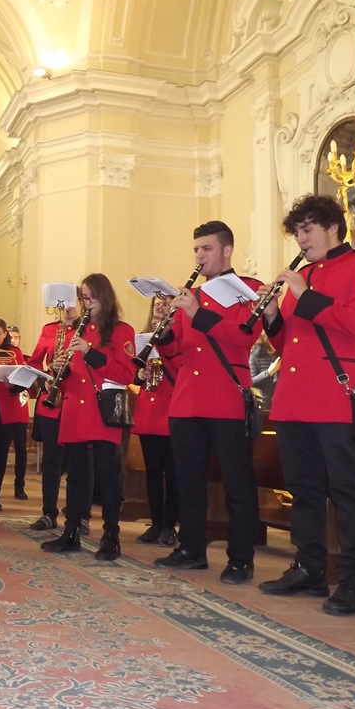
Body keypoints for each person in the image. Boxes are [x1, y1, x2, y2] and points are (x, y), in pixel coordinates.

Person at [257, 195, 355, 615]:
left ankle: (353, 581)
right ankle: (309, 568)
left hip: (337, 395)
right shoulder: (307, 275)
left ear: (332, 226)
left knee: (350, 491)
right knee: (304, 490)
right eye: (297, 231)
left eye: (307, 229)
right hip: (294, 399)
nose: (300, 238)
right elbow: (289, 343)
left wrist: (304, 293)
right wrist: (273, 315)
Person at [153, 221, 263, 584]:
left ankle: (241, 558)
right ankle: (191, 549)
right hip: (187, 400)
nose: (199, 256)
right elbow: (176, 353)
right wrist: (165, 330)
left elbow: (243, 336)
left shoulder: (250, 290)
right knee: (188, 481)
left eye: (207, 249)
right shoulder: (191, 295)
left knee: (238, 484)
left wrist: (196, 312)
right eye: (196, 250)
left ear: (227, 250)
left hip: (227, 399)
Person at [41, 274, 135, 558]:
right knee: (76, 475)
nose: (86, 301)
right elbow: (72, 381)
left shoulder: (121, 331)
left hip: (102, 411)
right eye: (83, 296)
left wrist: (91, 351)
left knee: (107, 474)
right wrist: (57, 374)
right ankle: (70, 532)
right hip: (74, 411)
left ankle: (111, 536)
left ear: (105, 297)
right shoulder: (73, 333)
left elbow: (125, 374)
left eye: (91, 295)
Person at [26, 304, 79, 531]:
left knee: (79, 463)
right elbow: (34, 362)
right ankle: (49, 513)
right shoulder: (50, 330)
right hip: (51, 404)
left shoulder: (90, 330)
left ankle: (80, 515)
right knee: (51, 462)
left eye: (74, 302)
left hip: (77, 402)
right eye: (63, 303)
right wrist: (47, 375)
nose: (68, 308)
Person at [132, 298, 181, 547]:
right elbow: (133, 371)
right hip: (149, 411)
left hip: (171, 409)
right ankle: (156, 523)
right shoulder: (143, 336)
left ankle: (170, 526)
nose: (159, 308)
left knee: (172, 473)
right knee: (152, 472)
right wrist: (138, 375)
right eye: (156, 305)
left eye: (165, 305)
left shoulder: (177, 337)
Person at [0, 319, 30, 506]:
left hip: (6, 408)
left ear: (5, 335)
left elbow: (23, 379)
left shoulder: (15, 353)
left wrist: (13, 383)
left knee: (0, 455)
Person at [249, 333, 280, 408]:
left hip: (279, 406)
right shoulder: (255, 356)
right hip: (262, 405)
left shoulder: (282, 357)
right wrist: (269, 372)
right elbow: (250, 383)